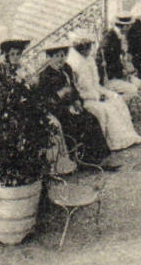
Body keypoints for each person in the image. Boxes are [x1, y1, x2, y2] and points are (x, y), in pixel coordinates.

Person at [34, 42, 118, 170]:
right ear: (49, 58)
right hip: (59, 111)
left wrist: (78, 100)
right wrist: (61, 99)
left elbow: (74, 89)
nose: (60, 59)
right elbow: (46, 101)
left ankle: (98, 158)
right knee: (79, 123)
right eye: (56, 56)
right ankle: (82, 159)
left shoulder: (66, 68)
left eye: (62, 55)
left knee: (92, 119)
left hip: (73, 107)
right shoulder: (45, 76)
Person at [66, 32, 141, 151]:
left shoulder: (89, 60)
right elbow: (78, 89)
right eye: (87, 47)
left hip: (96, 92)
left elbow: (95, 84)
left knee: (117, 100)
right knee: (108, 109)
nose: (90, 50)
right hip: (86, 99)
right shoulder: (74, 64)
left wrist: (103, 93)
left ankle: (127, 136)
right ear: (81, 48)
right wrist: (96, 96)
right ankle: (113, 142)